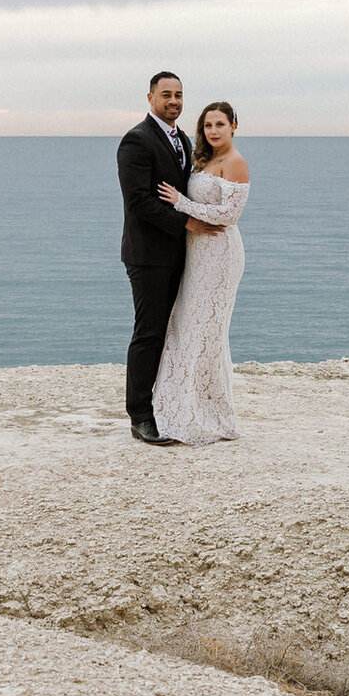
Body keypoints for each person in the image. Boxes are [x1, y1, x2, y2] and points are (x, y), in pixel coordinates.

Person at [116, 72, 212, 445]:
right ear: (150, 98)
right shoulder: (136, 141)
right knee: (150, 331)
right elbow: (138, 202)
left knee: (175, 332)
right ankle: (140, 415)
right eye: (166, 94)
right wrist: (187, 222)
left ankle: (169, 404)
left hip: (179, 252)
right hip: (148, 255)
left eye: (179, 95)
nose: (174, 101)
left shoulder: (182, 139)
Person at [149, 101, 251, 443]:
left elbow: (228, 215)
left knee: (206, 331)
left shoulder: (236, 163)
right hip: (196, 253)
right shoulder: (204, 160)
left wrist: (181, 203)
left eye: (220, 124)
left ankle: (209, 415)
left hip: (220, 255)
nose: (214, 131)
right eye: (208, 125)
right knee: (185, 324)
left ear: (234, 125)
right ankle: (179, 408)